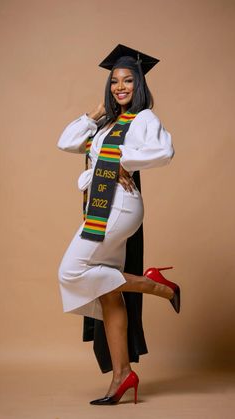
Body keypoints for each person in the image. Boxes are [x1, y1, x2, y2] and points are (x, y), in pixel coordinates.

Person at [57, 44, 180, 405]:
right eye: (114, 82)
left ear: (138, 84)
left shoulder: (143, 118)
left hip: (119, 206)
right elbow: (65, 143)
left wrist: (125, 161)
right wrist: (95, 114)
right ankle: (122, 375)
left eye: (127, 81)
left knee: (71, 271)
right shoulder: (107, 123)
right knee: (109, 292)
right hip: (101, 204)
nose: (120, 87)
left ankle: (155, 285)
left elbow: (164, 151)